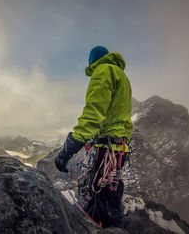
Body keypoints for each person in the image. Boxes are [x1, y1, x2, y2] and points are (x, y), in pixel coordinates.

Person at [54, 45, 133, 228]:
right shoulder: (122, 76)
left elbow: (94, 113)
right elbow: (115, 115)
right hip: (119, 147)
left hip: (108, 150)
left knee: (103, 201)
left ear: (92, 62)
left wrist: (68, 149)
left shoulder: (103, 71)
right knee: (108, 197)